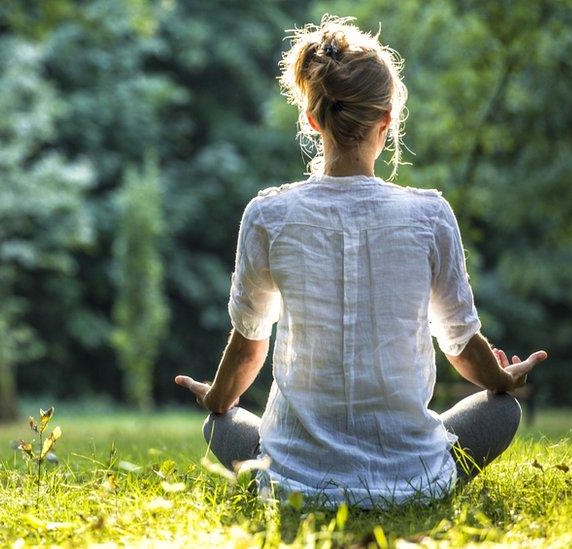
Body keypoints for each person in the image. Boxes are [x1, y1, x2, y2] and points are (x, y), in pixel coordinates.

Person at [173, 15, 548, 508]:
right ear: (386, 121)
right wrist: (501, 379)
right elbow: (459, 344)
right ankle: (416, 482)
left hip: (294, 485)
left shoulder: (268, 214)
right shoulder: (429, 215)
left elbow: (248, 348)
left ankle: (292, 467)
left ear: (312, 119)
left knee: (218, 424)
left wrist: (218, 399)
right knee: (502, 413)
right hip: (412, 478)